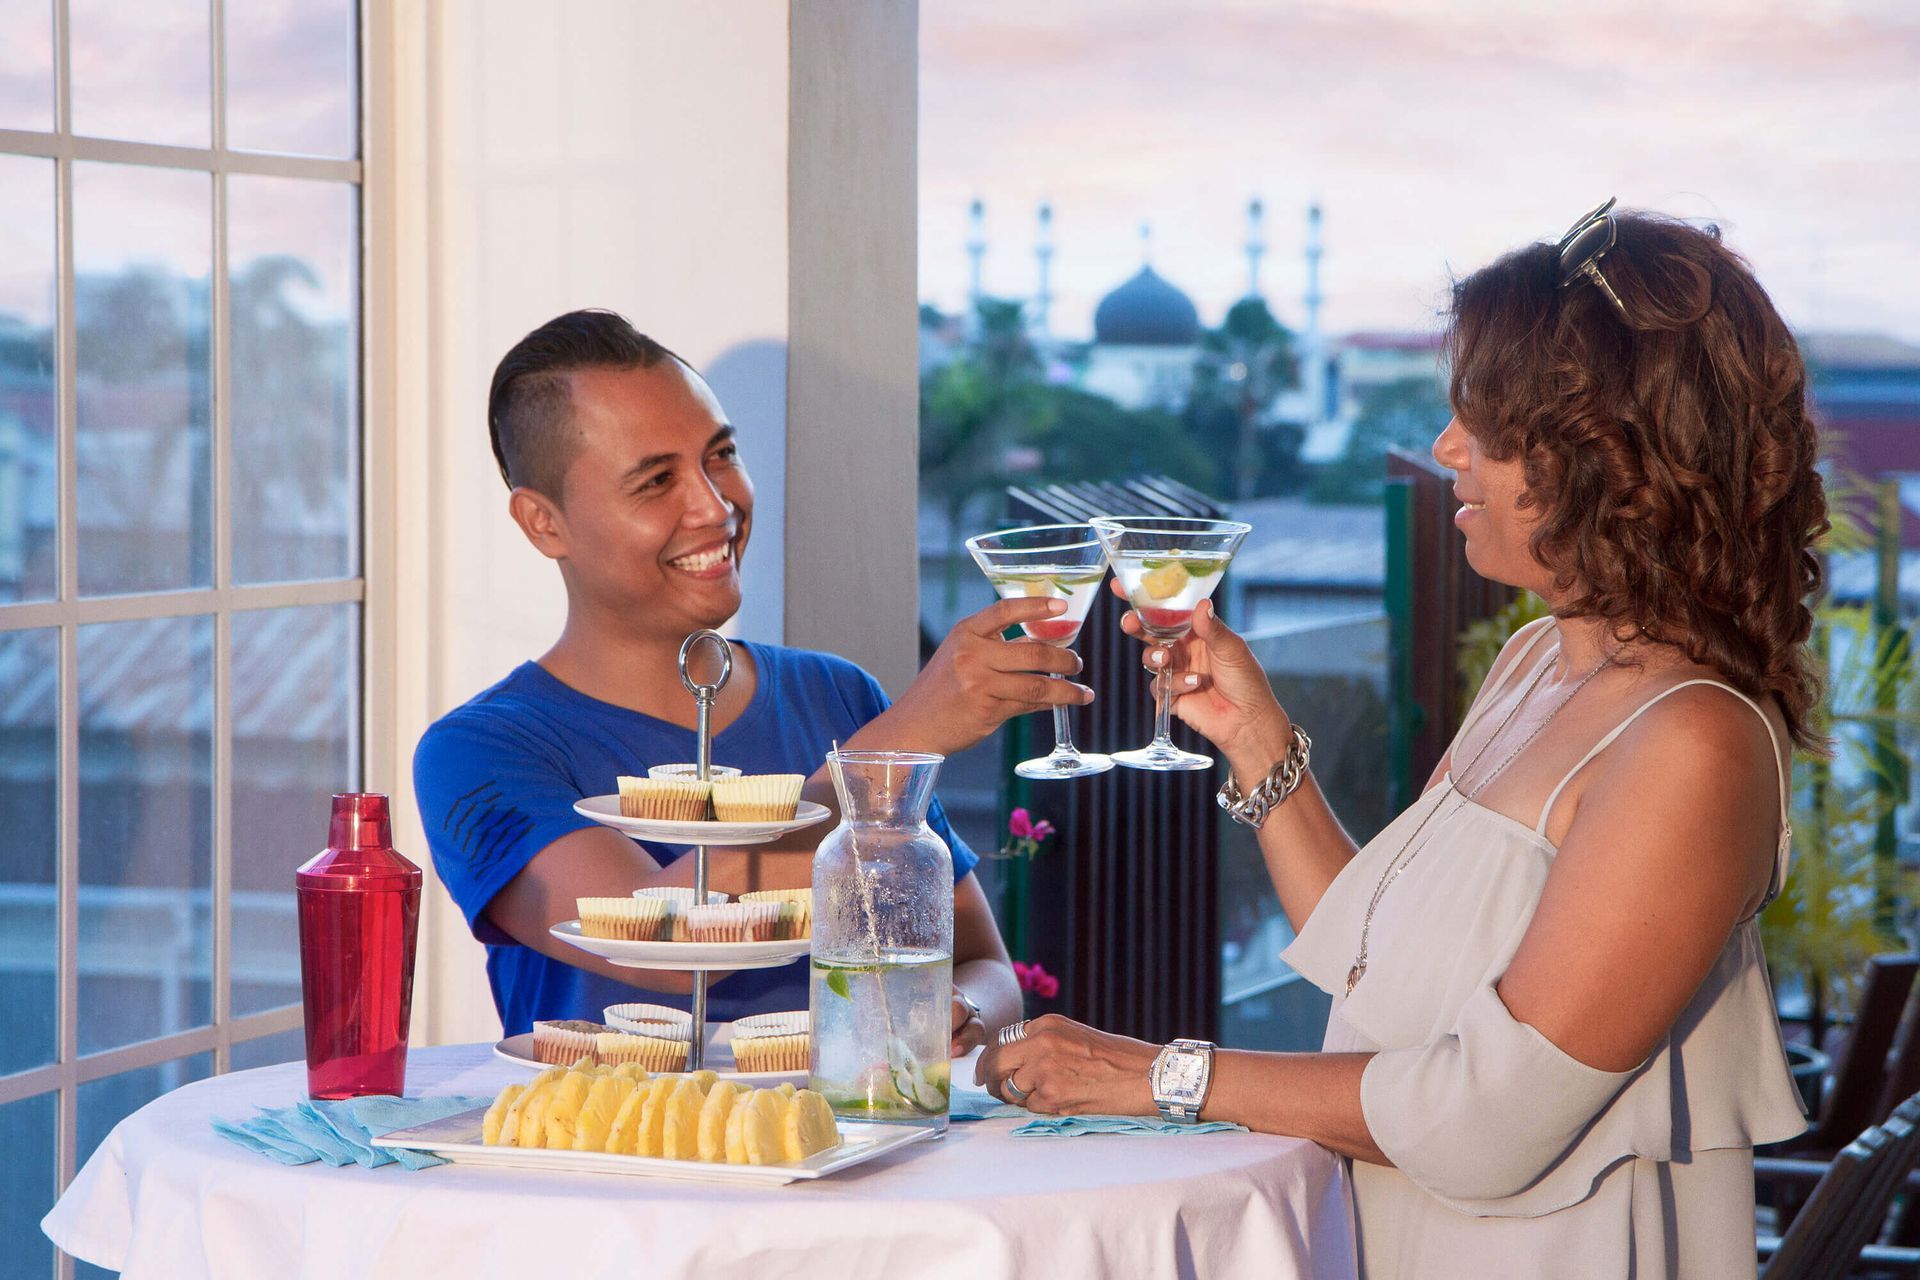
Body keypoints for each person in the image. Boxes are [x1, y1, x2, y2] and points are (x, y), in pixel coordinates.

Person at [978, 201, 1819, 1277]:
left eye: (1489, 422)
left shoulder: (1692, 745)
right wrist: (1257, 741)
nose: (1445, 448)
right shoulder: (1535, 662)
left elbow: (1488, 1117)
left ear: (1615, 455)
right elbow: (1374, 965)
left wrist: (1155, 1072)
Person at [414, 309, 1082, 1054]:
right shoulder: (480, 752)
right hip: (623, 1163)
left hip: (857, 1151)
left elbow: (983, 964)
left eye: (721, 454)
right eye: (656, 480)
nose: (715, 505)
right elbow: (655, 937)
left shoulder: (836, 695)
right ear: (545, 524)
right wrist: (904, 742)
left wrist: (954, 1010)